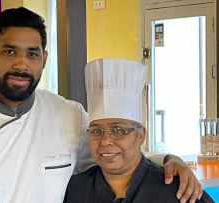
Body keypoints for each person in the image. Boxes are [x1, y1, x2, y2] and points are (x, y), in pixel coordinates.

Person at [0, 7, 202, 203]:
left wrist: (168, 161)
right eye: (9, 51)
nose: (21, 64)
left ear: (43, 58)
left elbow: (115, 154)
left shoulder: (68, 114)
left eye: (32, 54)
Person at [64, 58, 214, 203]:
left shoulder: (179, 192)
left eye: (118, 130)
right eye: (96, 131)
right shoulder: (75, 190)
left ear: (141, 135)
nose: (105, 141)